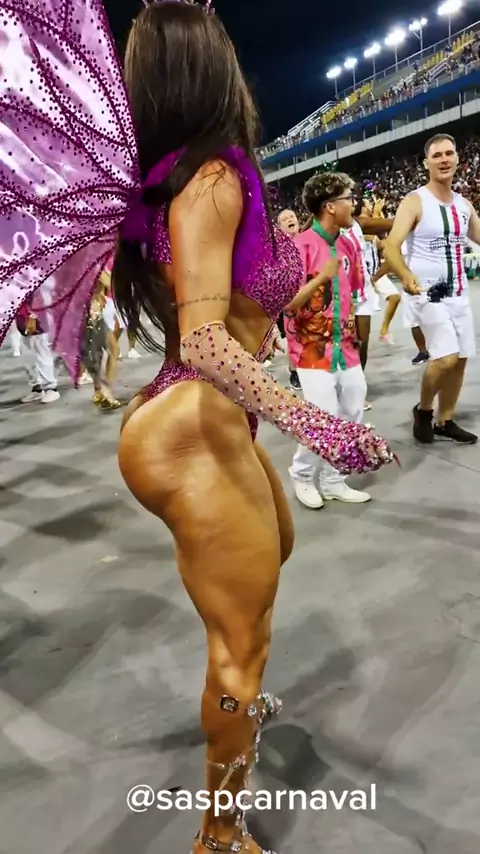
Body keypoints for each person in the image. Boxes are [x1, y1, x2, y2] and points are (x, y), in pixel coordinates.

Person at [0, 3, 395, 852]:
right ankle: (219, 833)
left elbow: (227, 313)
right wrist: (318, 425)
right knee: (240, 644)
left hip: (208, 417)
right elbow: (208, 339)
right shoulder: (209, 178)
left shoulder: (193, 178)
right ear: (213, 66)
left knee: (274, 554)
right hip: (191, 423)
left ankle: (234, 720)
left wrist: (279, 311)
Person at [384, 133, 479, 444]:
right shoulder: (414, 201)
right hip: (426, 294)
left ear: (457, 159)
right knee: (446, 356)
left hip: (459, 293)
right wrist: (405, 275)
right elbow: (391, 246)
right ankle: (424, 410)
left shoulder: (464, 205)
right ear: (426, 163)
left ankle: (444, 419)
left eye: (449, 153)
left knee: (461, 358)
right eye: (437, 155)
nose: (444, 159)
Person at [286, 173, 373, 508]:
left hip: (345, 347)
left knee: (352, 411)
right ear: (330, 206)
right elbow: (287, 303)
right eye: (349, 198)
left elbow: (352, 295)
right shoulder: (299, 246)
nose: (354, 203)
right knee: (322, 418)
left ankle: (334, 480)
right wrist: (322, 276)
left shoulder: (349, 245)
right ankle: (302, 475)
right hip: (311, 350)